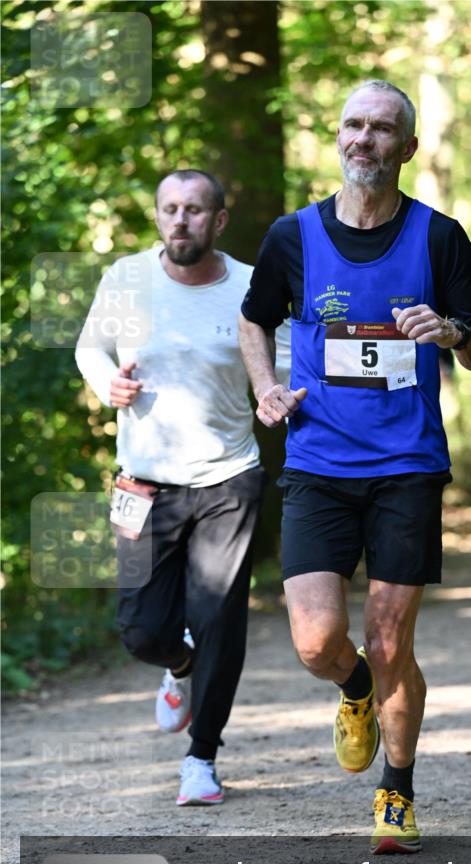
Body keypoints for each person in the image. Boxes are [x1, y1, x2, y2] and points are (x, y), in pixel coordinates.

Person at [238, 80, 471, 853]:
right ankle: (353, 690)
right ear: (338, 136)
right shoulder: (292, 235)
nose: (365, 139)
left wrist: (451, 332)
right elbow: (253, 319)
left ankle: (397, 788)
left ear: (407, 148)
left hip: (406, 466)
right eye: (353, 124)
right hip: (318, 461)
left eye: (383, 129)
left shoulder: (438, 237)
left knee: (391, 642)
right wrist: (265, 389)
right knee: (320, 643)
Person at [75, 169, 282, 807]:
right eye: (170, 209)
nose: (180, 220)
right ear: (159, 216)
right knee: (138, 629)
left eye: (195, 210)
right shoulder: (126, 280)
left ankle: (202, 758)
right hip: (143, 481)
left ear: (218, 221)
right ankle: (179, 665)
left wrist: (283, 393)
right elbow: (90, 348)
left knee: (219, 617)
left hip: (229, 477)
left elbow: (287, 362)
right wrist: (107, 382)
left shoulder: (252, 287)